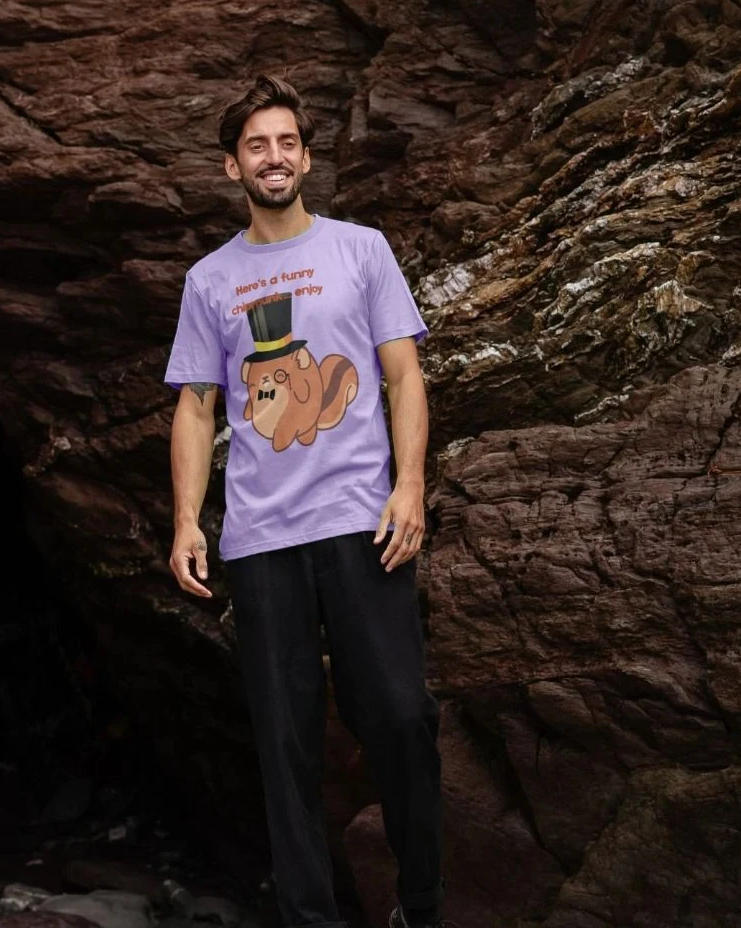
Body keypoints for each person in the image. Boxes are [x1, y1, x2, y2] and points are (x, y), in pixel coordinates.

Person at [163, 75, 449, 928]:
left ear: (307, 158)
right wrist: (186, 521)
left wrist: (410, 486)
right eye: (257, 145)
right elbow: (196, 408)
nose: (274, 156)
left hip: (363, 523)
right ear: (233, 167)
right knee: (285, 748)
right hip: (261, 541)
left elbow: (404, 376)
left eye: (286, 142)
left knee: (399, 715)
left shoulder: (362, 250)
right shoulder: (209, 281)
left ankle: (421, 905)